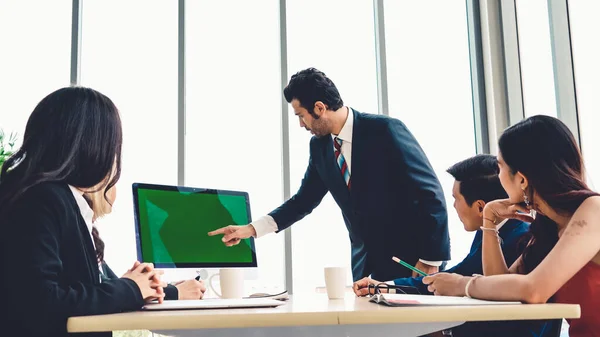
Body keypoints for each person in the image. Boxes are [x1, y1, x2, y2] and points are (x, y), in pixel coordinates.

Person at [209, 68, 450, 282]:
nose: (301, 124)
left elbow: (429, 192)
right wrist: (251, 229)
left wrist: (432, 257)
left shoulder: (385, 130)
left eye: (300, 115)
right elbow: (303, 201)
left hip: (412, 264)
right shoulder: (320, 147)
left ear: (320, 108)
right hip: (365, 267)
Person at [0, 87, 165, 337]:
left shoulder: (46, 196)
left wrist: (131, 285)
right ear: (91, 145)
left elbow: (68, 290)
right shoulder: (43, 199)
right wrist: (130, 288)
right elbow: (43, 301)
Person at [423, 116, 600, 337]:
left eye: (500, 168)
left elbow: (534, 290)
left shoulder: (595, 210)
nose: (499, 178)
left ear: (522, 179)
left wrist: (461, 285)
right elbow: (502, 288)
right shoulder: (550, 229)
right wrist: (489, 219)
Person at [354, 154, 559, 336]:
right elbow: (453, 278)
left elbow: (500, 303)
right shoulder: (493, 230)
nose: (453, 206)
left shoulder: (518, 238)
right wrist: (387, 286)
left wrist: (447, 331)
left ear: (480, 206)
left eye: (455, 198)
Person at [84, 186, 207, 300]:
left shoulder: (90, 236)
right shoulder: (79, 233)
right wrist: (175, 292)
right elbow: (105, 294)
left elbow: (112, 288)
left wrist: (164, 287)